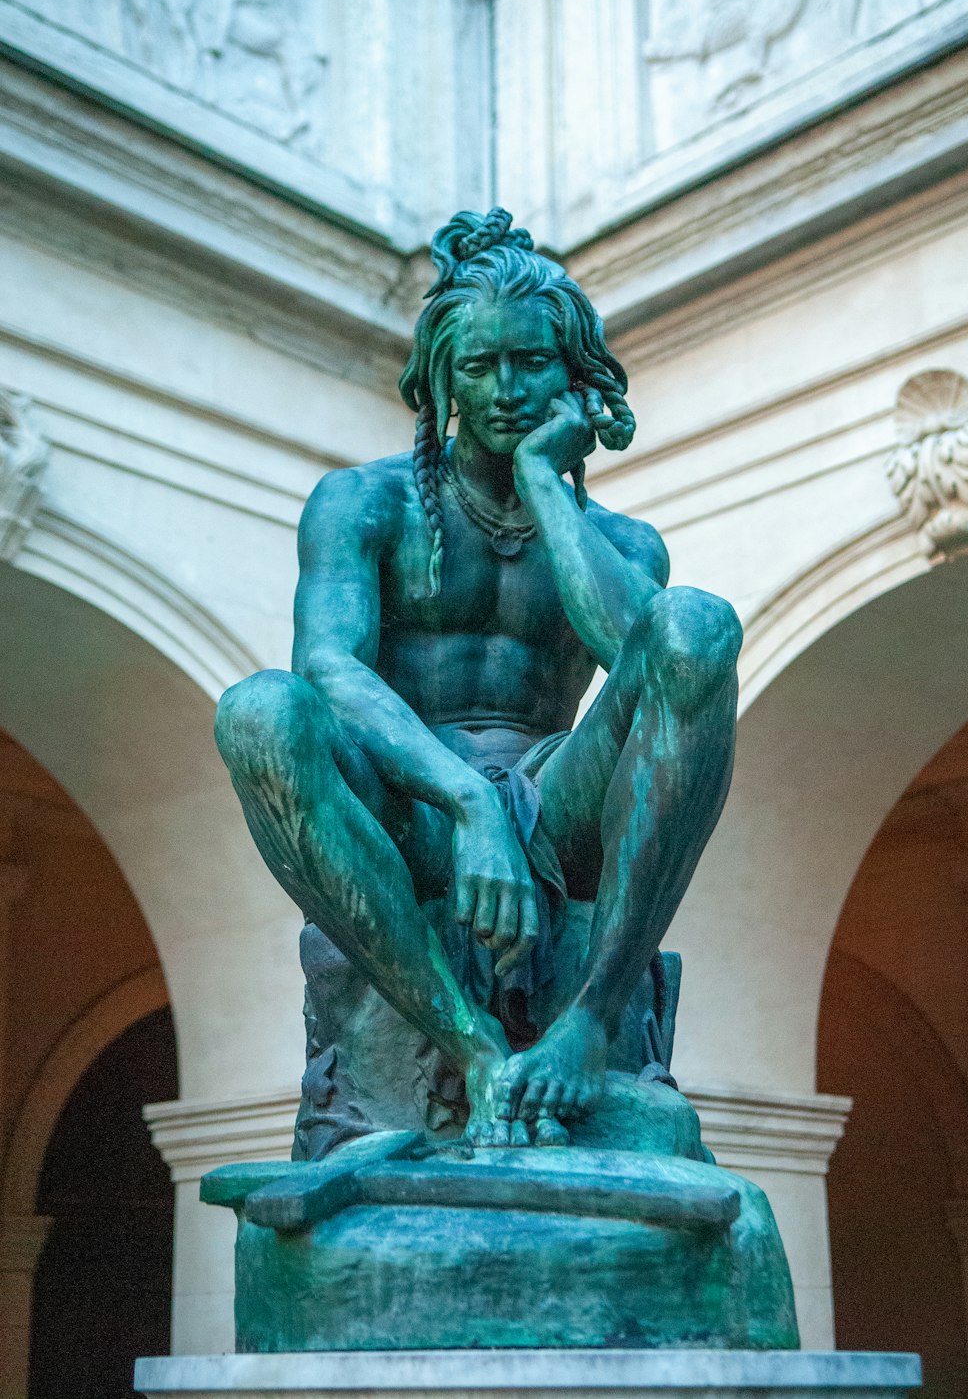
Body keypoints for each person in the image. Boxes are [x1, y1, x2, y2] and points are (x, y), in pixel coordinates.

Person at [215, 207, 741, 1147]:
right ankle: (467, 1043)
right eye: (479, 365)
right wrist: (467, 801)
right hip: (411, 802)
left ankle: (588, 1020)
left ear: (570, 372)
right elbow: (329, 667)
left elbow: (650, 661)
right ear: (441, 379)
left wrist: (545, 478)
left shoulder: (621, 542)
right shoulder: (365, 502)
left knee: (697, 624)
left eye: (531, 362)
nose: (504, 388)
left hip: (561, 802)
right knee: (260, 712)